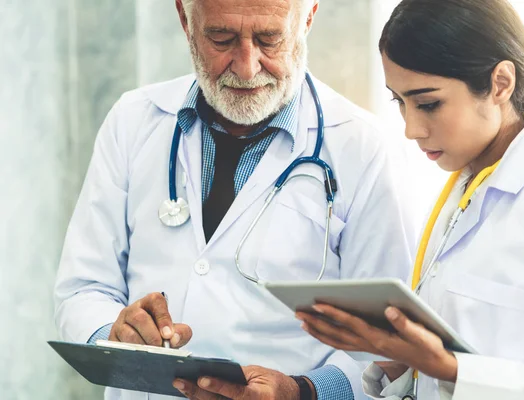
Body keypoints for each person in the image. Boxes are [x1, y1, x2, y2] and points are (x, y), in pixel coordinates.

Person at [53, 0, 419, 399]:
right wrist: (114, 333)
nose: (247, 67)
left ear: (308, 17)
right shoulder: (133, 120)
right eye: (221, 38)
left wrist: (303, 392)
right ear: (184, 18)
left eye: (269, 39)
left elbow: (389, 341)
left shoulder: (364, 148)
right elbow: (83, 288)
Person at [297, 0, 524, 398]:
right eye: (399, 101)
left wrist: (450, 368)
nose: (410, 128)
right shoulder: (460, 193)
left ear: (500, 83)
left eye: (428, 104)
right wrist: (396, 359)